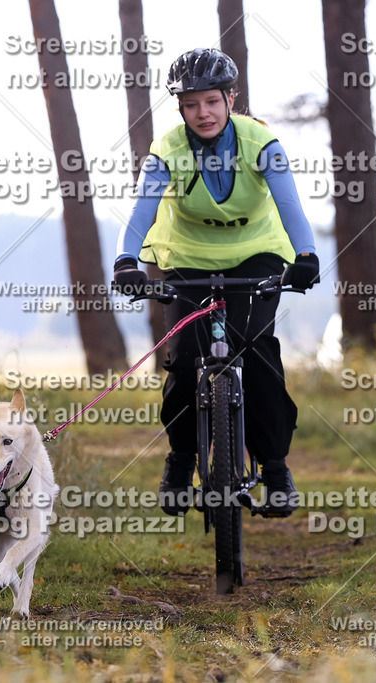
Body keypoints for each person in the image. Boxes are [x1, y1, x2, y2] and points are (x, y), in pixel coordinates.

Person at [112, 48, 319, 518]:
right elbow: (143, 211)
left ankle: (276, 465)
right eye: (190, 104)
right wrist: (126, 261)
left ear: (230, 98)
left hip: (256, 255)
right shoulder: (168, 149)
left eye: (210, 101)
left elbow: (290, 207)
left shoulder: (261, 142)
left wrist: (305, 256)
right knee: (184, 360)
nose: (201, 113)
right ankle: (181, 459)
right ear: (180, 108)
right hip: (187, 260)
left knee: (256, 346)